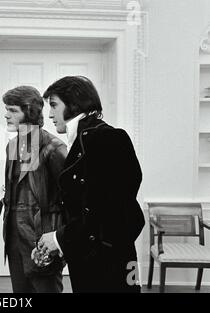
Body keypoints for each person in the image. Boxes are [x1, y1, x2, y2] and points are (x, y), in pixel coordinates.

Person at [36, 76, 145, 293]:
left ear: (75, 104)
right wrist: (62, 244)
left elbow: (109, 209)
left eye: (54, 105)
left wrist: (59, 238)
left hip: (112, 263)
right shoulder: (83, 140)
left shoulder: (110, 138)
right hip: (89, 259)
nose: (49, 114)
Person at [0, 86, 67, 293]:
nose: (6, 115)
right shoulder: (11, 146)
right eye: (6, 109)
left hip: (41, 238)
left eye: (12, 110)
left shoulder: (54, 148)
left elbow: (71, 198)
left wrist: (58, 238)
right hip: (13, 237)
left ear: (29, 112)